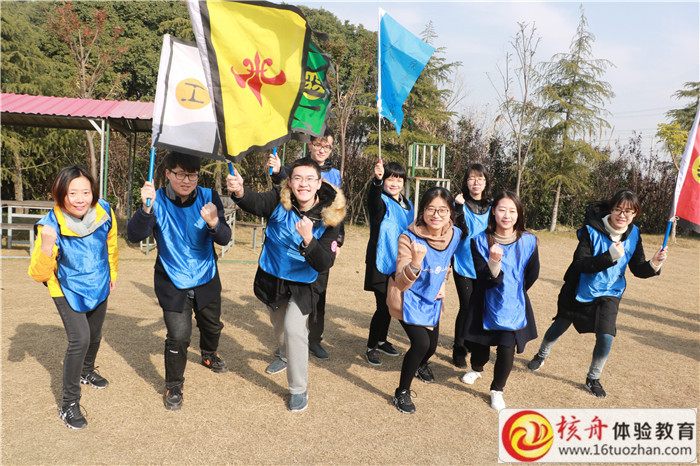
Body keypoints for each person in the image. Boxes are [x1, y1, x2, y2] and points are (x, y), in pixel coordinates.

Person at [227, 157, 346, 411]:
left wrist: (309, 240)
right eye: (298, 178)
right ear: (289, 182)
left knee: (294, 329)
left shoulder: (331, 216)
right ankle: (283, 355)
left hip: (305, 283)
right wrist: (239, 191)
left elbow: (324, 262)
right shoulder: (278, 200)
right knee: (280, 328)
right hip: (274, 276)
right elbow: (254, 202)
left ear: (319, 183)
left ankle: (298, 389)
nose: (303, 184)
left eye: (310, 179)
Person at [527, 189, 667, 398]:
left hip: (610, 291)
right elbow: (580, 264)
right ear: (611, 209)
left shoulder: (634, 233)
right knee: (561, 324)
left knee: (606, 335)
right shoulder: (590, 229)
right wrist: (609, 256)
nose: (622, 215)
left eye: (628, 211)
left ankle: (593, 378)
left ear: (635, 213)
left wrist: (654, 264)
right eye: (618, 209)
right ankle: (541, 355)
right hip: (579, 288)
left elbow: (638, 269)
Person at [127, 151, 231, 411]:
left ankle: (208, 354)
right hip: (172, 279)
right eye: (180, 174)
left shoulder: (208, 197)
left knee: (212, 326)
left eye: (192, 175)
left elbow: (224, 238)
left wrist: (214, 222)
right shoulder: (156, 199)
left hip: (206, 276)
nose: (186, 180)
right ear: (167, 174)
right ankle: (174, 384)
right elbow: (134, 235)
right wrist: (146, 208)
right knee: (178, 336)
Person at [28, 165, 118, 430]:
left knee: (95, 334)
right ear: (60, 194)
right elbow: (38, 274)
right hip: (66, 288)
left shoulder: (104, 211)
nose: (80, 199)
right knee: (80, 339)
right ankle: (69, 404)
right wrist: (46, 246)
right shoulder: (50, 225)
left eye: (86, 192)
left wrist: (112, 273)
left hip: (99, 282)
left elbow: (110, 243)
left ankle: (86, 371)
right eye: (73, 193)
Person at [460, 191, 539, 411]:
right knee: (480, 349)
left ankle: (497, 390)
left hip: (513, 305)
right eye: (502, 210)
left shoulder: (529, 241)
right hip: (485, 302)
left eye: (512, 211)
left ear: (518, 214)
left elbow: (532, 273)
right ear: (493, 211)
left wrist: (515, 290)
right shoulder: (479, 241)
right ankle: (476, 368)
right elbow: (483, 278)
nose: (507, 215)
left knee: (506, 349)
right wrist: (494, 263)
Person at [267, 132, 342, 360]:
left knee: (318, 293)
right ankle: (287, 346)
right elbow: (282, 189)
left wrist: (338, 239)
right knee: (289, 295)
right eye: (318, 144)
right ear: (310, 145)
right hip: (292, 242)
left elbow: (339, 208)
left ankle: (314, 340)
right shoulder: (294, 167)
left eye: (327, 146)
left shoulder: (335, 174)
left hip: (320, 241)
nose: (322, 149)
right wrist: (278, 172)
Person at [387, 187, 462, 414]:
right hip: (407, 298)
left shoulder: (454, 235)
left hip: (431, 299)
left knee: (431, 347)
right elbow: (401, 282)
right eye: (431, 209)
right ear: (422, 211)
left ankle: (420, 365)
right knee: (421, 344)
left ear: (450, 213)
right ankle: (401, 392)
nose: (436, 215)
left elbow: (446, 263)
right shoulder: (408, 237)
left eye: (442, 210)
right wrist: (416, 263)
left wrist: (443, 283)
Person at [363, 160, 414, 366]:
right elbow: (373, 200)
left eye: (399, 180)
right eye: (390, 179)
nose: (395, 183)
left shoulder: (407, 204)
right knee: (383, 306)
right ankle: (371, 346)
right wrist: (376, 181)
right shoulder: (380, 201)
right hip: (380, 260)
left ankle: (382, 340)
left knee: (392, 303)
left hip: (399, 261)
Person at [451, 163, 492, 368]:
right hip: (463, 263)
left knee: (481, 308)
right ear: (466, 182)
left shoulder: (492, 206)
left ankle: (472, 342)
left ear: (486, 182)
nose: (476, 182)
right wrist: (458, 208)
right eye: (471, 178)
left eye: (480, 178)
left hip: (485, 266)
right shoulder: (459, 203)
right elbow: (460, 232)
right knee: (466, 307)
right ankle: (459, 349)